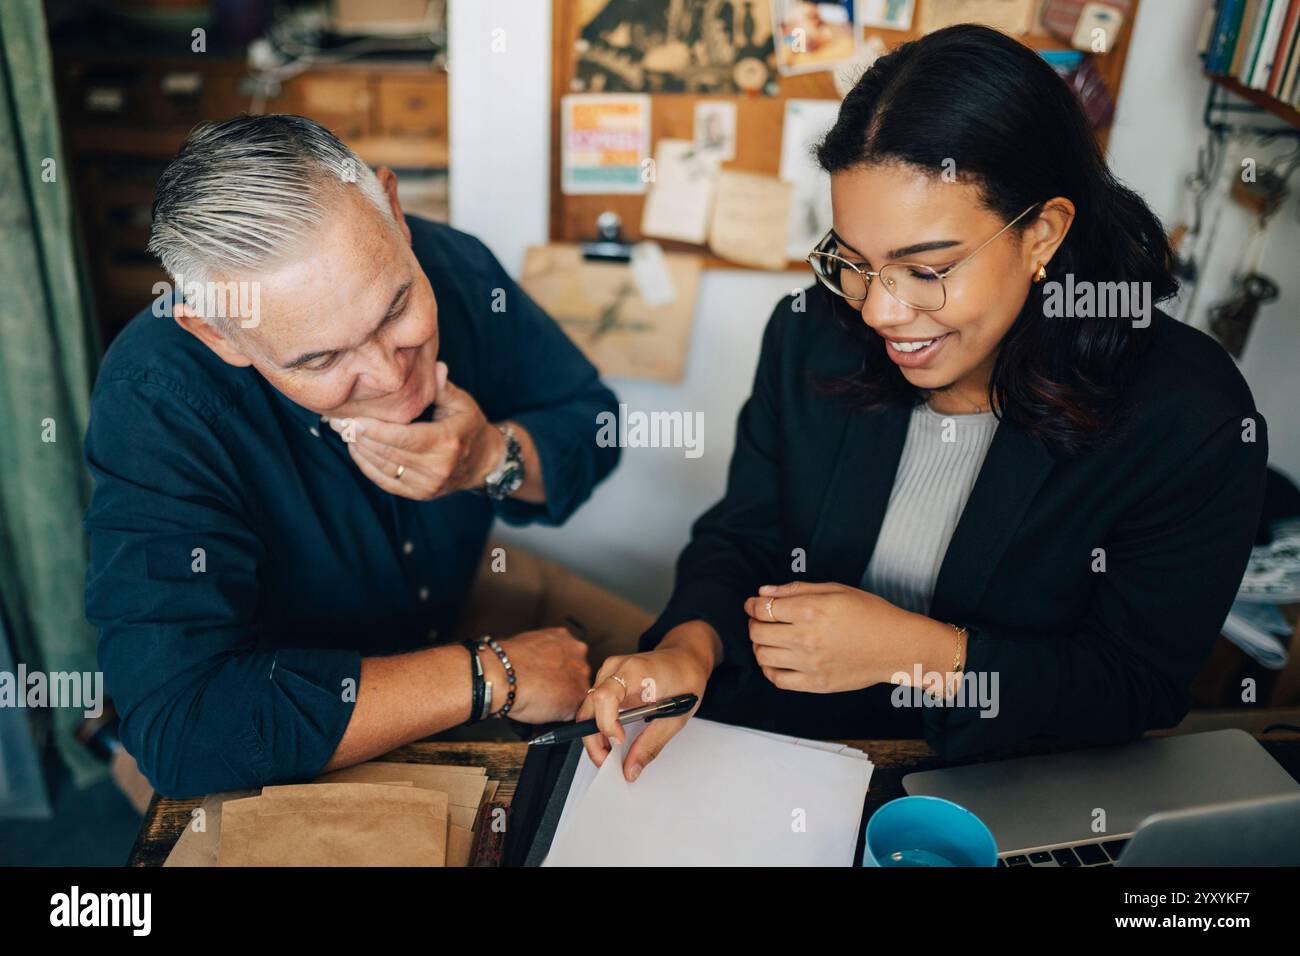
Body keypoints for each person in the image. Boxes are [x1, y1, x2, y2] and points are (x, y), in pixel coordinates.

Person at [579, 24, 1269, 781]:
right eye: (855, 261)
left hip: (1004, 782)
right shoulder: (814, 335)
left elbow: (1134, 687)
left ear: (1042, 232)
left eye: (926, 269)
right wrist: (689, 647)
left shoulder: (1187, 418)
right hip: (786, 756)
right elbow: (744, 538)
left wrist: (922, 656)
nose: (878, 312)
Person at [84, 115, 628, 798]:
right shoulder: (156, 400)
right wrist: (491, 676)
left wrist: (492, 457)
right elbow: (188, 727)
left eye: (395, 309)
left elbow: (594, 425)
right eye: (320, 359)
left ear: (393, 211)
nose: (389, 376)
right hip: (279, 694)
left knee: (709, 684)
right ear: (217, 334)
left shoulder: (458, 266)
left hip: (456, 600)